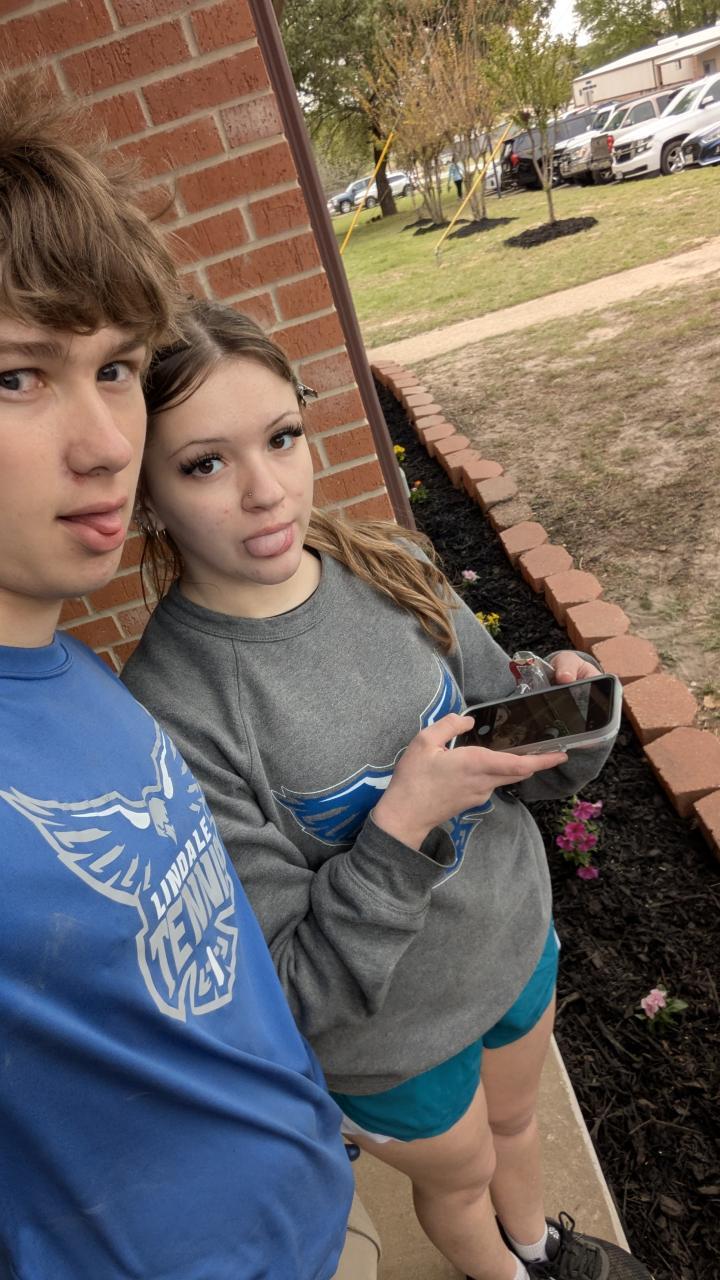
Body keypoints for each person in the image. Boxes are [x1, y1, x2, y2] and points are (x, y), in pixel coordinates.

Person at [123, 300, 652, 1280]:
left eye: (282, 437)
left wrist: (565, 712)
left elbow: (518, 751)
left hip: (509, 943)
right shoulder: (171, 712)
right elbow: (292, 990)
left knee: (517, 1123)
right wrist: (403, 820)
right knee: (461, 1179)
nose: (266, 491)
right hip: (389, 1041)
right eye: (204, 463)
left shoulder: (390, 565)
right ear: (147, 492)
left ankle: (539, 1246)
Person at [0, 74, 377, 1280]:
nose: (110, 442)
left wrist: (305, 1110)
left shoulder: (73, 668)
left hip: (319, 1198)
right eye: (16, 376)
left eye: (115, 367)